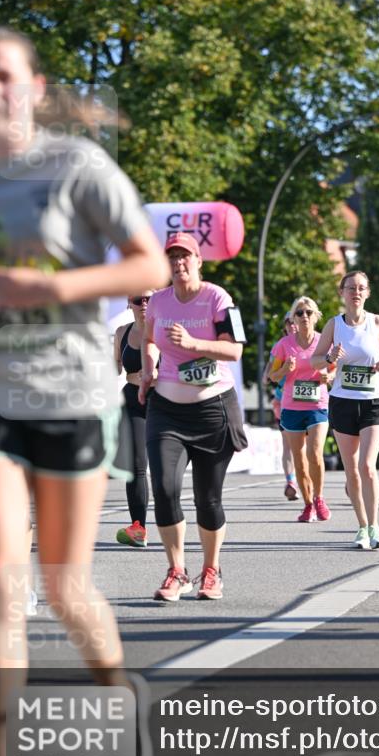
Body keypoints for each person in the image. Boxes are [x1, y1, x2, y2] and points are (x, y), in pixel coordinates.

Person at [0, 26, 169, 756]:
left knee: (64, 586)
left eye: (1, 76)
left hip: (73, 396)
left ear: (32, 86)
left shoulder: (76, 167)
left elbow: (148, 265)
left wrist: (46, 288)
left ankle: (119, 697)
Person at [140, 231, 247, 603]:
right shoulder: (157, 302)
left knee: (208, 499)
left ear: (199, 261)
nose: (178, 263)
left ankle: (212, 569)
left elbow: (234, 351)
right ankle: (176, 570)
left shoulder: (218, 298)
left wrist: (194, 344)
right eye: (172, 258)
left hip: (212, 409)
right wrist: (149, 370)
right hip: (166, 410)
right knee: (165, 489)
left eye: (185, 257)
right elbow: (149, 339)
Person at [312, 270, 379, 550]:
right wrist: (328, 357)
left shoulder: (377, 322)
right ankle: (362, 527)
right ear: (342, 293)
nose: (356, 292)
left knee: (367, 466)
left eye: (361, 288)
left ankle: (376, 527)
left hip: (374, 399)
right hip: (343, 401)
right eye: (351, 288)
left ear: (367, 293)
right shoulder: (334, 325)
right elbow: (314, 361)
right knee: (352, 472)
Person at [269, 296, 331, 522]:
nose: (304, 316)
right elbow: (272, 376)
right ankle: (307, 505)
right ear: (293, 318)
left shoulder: (324, 341)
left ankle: (319, 497)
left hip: (317, 405)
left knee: (314, 453)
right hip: (292, 407)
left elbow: (335, 370)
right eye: (299, 313)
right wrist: (285, 368)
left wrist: (329, 376)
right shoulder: (283, 345)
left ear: (316, 316)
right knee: (299, 458)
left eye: (308, 312)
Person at [113, 291, 157, 547]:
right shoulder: (121, 333)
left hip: (161, 400)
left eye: (149, 299)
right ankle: (138, 528)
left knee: (163, 468)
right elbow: (113, 369)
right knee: (137, 466)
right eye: (138, 300)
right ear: (129, 303)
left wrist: (158, 372)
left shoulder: (164, 330)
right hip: (132, 401)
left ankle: (171, 522)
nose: (144, 304)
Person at [263, 312, 298, 499]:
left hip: (309, 401)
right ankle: (291, 481)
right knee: (288, 444)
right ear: (285, 327)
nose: (292, 326)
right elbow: (270, 370)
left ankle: (305, 480)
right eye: (289, 323)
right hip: (283, 400)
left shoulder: (314, 342)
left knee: (307, 447)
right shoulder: (281, 346)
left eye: (295, 322)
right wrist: (267, 375)